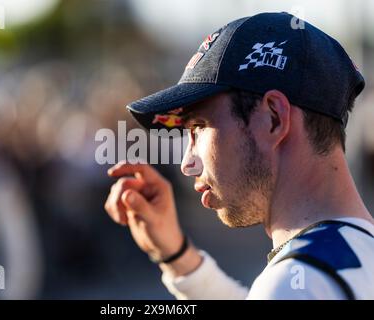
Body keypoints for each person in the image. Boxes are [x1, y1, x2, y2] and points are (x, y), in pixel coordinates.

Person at [104, 12, 374, 299]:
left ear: (273, 118)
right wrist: (177, 256)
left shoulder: (296, 284)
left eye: (198, 127)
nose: (187, 163)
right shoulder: (349, 257)